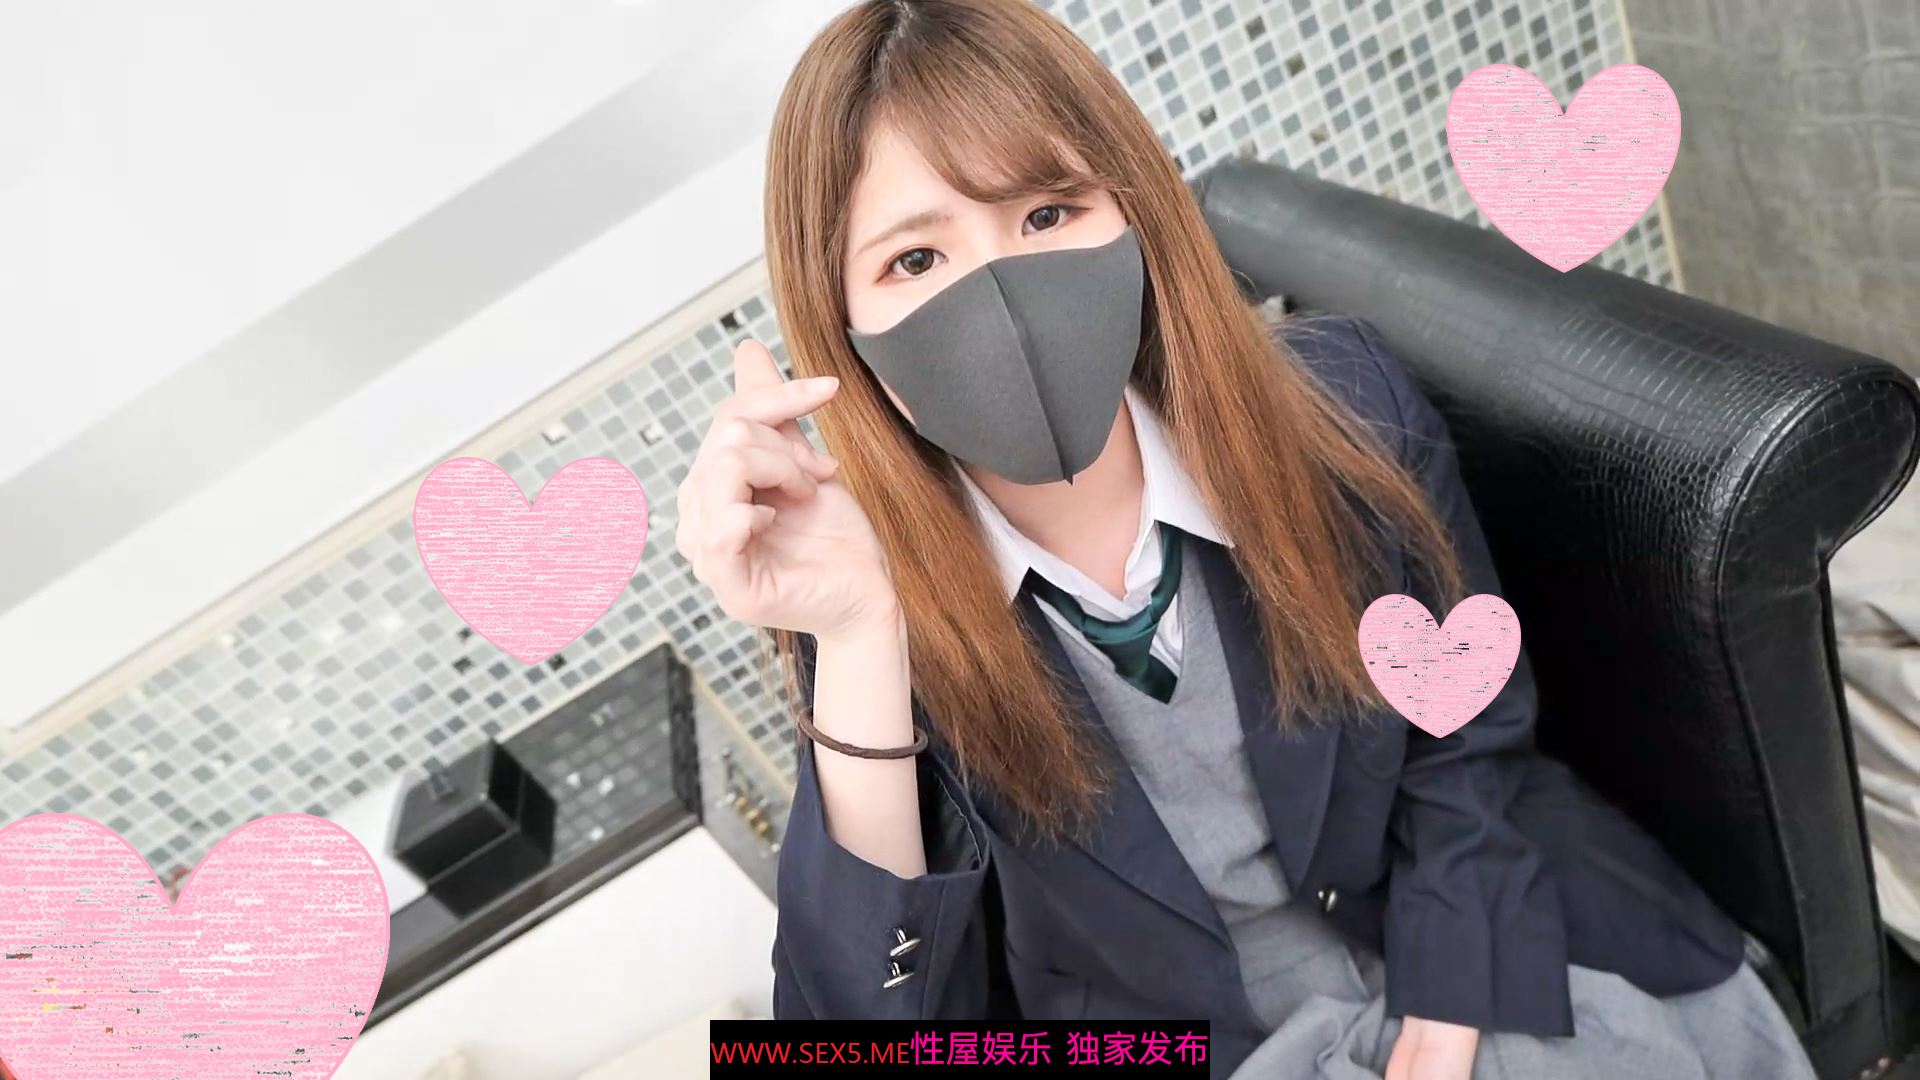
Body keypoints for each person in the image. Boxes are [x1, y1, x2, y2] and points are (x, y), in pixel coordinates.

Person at [673, 2, 1819, 1076]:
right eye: (915, 260)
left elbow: (1466, 735)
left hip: (1486, 939)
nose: (1005, 296)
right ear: (843, 329)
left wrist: (1450, 993)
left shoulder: (1345, 409)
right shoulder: (871, 623)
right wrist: (860, 638)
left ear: (1134, 213)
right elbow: (866, 1039)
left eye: (1047, 214)